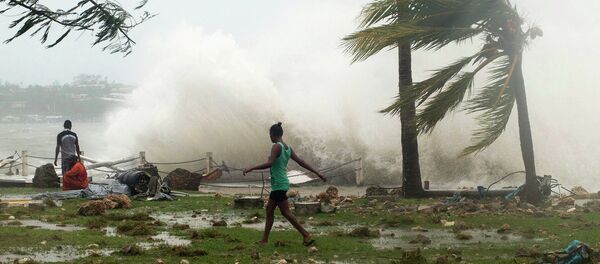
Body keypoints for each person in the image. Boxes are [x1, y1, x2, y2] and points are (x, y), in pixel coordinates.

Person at [243, 122, 326, 246]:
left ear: (273, 134)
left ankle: (306, 235)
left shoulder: (276, 146)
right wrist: (317, 173)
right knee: (270, 210)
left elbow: (270, 163)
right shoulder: (288, 148)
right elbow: (301, 162)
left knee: (285, 212)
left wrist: (251, 168)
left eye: (269, 135)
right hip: (281, 183)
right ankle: (265, 240)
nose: (269, 137)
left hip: (279, 184)